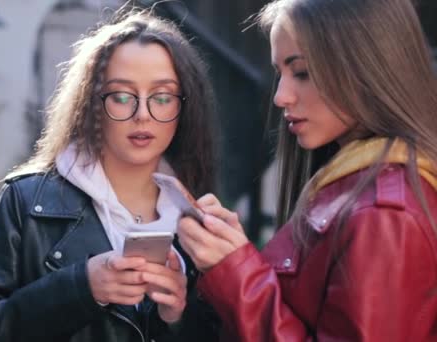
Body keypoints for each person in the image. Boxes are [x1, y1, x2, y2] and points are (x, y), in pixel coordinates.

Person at [0, 8, 220, 342]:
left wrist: (178, 317)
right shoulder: (28, 201)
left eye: (162, 97)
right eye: (122, 96)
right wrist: (80, 288)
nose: (142, 115)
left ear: (184, 106)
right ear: (92, 103)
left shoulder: (199, 223)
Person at [177, 0, 437, 340]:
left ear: (366, 67)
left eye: (301, 73)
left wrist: (236, 273)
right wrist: (233, 256)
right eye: (280, 73)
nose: (280, 96)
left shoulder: (385, 215)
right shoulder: (352, 182)